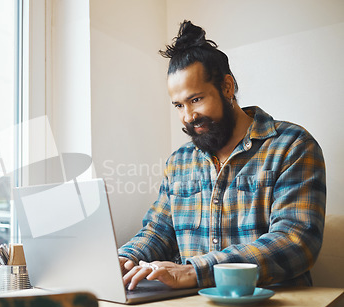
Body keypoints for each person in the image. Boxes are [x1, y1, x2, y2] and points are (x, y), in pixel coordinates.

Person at [118, 20, 326, 291]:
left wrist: (195, 271)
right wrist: (126, 257)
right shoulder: (179, 162)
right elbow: (158, 231)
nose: (188, 117)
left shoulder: (292, 146)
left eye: (196, 100)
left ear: (227, 87)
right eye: (179, 105)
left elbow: (295, 242)